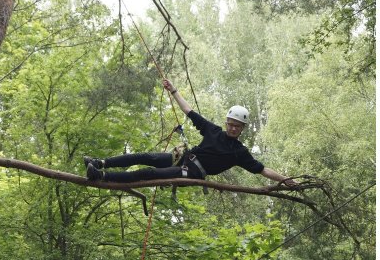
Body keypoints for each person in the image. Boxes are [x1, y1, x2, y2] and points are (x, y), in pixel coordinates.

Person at [85, 79, 297, 186]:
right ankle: (101, 162)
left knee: (149, 173)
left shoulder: (239, 152)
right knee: (145, 156)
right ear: (226, 123)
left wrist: (285, 179)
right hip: (182, 159)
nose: (233, 128)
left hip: (191, 172)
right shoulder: (213, 131)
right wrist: (174, 90)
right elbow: (188, 111)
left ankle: (102, 177)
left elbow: (263, 170)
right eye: (231, 124)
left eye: (237, 126)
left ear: (242, 129)